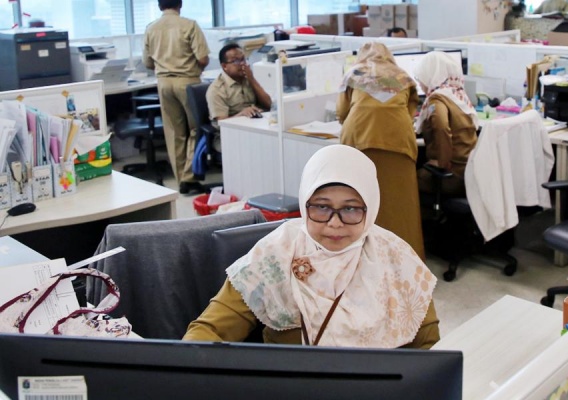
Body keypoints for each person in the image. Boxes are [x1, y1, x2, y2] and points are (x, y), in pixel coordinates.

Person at [184, 144, 440, 348]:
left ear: (370, 208)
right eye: (321, 207)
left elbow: (431, 347)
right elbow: (210, 329)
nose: (335, 223)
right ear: (305, 204)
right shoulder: (275, 252)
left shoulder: (395, 257)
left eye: (350, 209)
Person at [337, 42, 426, 259]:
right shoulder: (404, 77)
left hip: (359, 140)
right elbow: (411, 112)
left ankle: (360, 258)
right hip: (398, 142)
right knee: (401, 204)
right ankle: (407, 259)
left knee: (359, 201)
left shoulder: (354, 74)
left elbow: (341, 112)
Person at [143, 0, 210, 195]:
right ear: (180, 4)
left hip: (164, 83)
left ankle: (181, 179)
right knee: (196, 128)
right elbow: (203, 58)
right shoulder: (189, 25)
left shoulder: (151, 28)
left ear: (159, 6)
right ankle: (190, 177)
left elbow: (147, 62)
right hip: (188, 81)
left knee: (174, 133)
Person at [414, 51, 478, 197]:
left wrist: (442, 162)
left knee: (400, 182)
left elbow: (441, 127)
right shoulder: (457, 95)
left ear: (431, 76)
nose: (420, 83)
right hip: (469, 172)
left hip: (450, 176)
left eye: (421, 78)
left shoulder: (437, 100)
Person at [206, 43, 273, 150]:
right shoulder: (217, 89)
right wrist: (241, 114)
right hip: (229, 136)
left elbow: (269, 105)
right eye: (236, 61)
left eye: (243, 59)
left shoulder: (248, 79)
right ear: (224, 66)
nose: (242, 64)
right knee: (258, 148)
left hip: (253, 129)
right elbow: (221, 123)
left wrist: (252, 79)